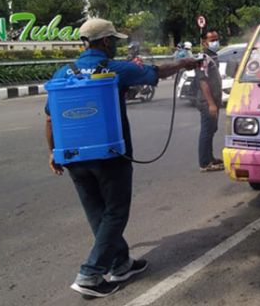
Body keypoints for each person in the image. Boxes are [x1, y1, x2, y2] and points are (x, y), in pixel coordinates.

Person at [44, 18, 198, 298]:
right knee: (115, 212)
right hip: (110, 155)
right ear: (104, 42)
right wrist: (185, 64)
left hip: (74, 157)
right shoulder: (115, 69)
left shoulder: (63, 73)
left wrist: (53, 152)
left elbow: (49, 117)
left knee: (97, 213)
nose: (116, 44)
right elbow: (156, 72)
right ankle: (90, 274)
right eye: (114, 40)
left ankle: (121, 262)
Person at [196, 29, 224, 172]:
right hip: (207, 102)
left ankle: (210, 157)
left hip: (215, 100)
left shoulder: (213, 56)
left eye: (216, 39)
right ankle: (204, 162)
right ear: (204, 42)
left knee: (212, 129)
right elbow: (203, 82)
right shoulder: (203, 58)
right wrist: (211, 104)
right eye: (212, 40)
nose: (215, 42)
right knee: (207, 131)